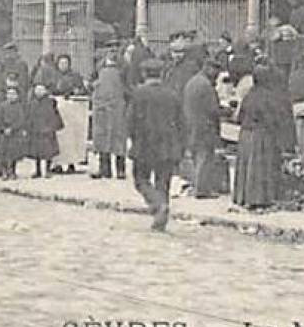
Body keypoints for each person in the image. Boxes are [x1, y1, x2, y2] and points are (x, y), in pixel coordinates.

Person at [128, 59, 183, 231]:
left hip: (145, 144)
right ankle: (161, 215)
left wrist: (134, 139)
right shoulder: (172, 94)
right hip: (168, 145)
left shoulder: (138, 94)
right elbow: (181, 122)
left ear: (144, 74)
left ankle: (158, 204)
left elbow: (130, 121)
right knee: (163, 182)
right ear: (162, 74)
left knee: (140, 179)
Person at [233, 62, 294, 210]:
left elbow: (239, 117)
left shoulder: (249, 95)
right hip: (260, 136)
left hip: (245, 135)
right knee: (259, 167)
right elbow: (273, 119)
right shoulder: (269, 96)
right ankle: (258, 198)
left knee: (246, 167)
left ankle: (242, 196)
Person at [182, 55, 226, 199]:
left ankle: (197, 185)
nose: (217, 75)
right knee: (205, 156)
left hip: (191, 124)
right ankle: (202, 190)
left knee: (196, 156)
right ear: (208, 68)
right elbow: (213, 109)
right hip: (204, 125)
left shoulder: (193, 81)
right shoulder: (205, 85)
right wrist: (226, 111)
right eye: (216, 71)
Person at [89, 51, 129, 180]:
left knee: (118, 138)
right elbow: (92, 83)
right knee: (102, 137)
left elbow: (128, 88)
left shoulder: (123, 70)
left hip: (117, 108)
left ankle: (120, 169)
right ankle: (105, 168)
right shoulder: (98, 69)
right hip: (102, 108)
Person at [27, 82, 64, 178]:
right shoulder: (32, 103)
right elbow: (29, 116)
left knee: (48, 152)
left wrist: (53, 127)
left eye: (41, 90)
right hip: (35, 130)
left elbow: (55, 115)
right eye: (37, 90)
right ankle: (38, 170)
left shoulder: (50, 102)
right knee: (36, 152)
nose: (38, 92)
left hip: (47, 130)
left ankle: (47, 170)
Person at [0, 82, 28, 180]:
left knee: (13, 154)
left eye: (13, 94)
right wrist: (4, 129)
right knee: (3, 153)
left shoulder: (19, 107)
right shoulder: (2, 106)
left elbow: (21, 120)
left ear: (17, 96)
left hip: (15, 134)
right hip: (4, 134)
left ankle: (12, 171)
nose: (11, 96)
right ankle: (4, 171)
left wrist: (12, 128)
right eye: (9, 94)